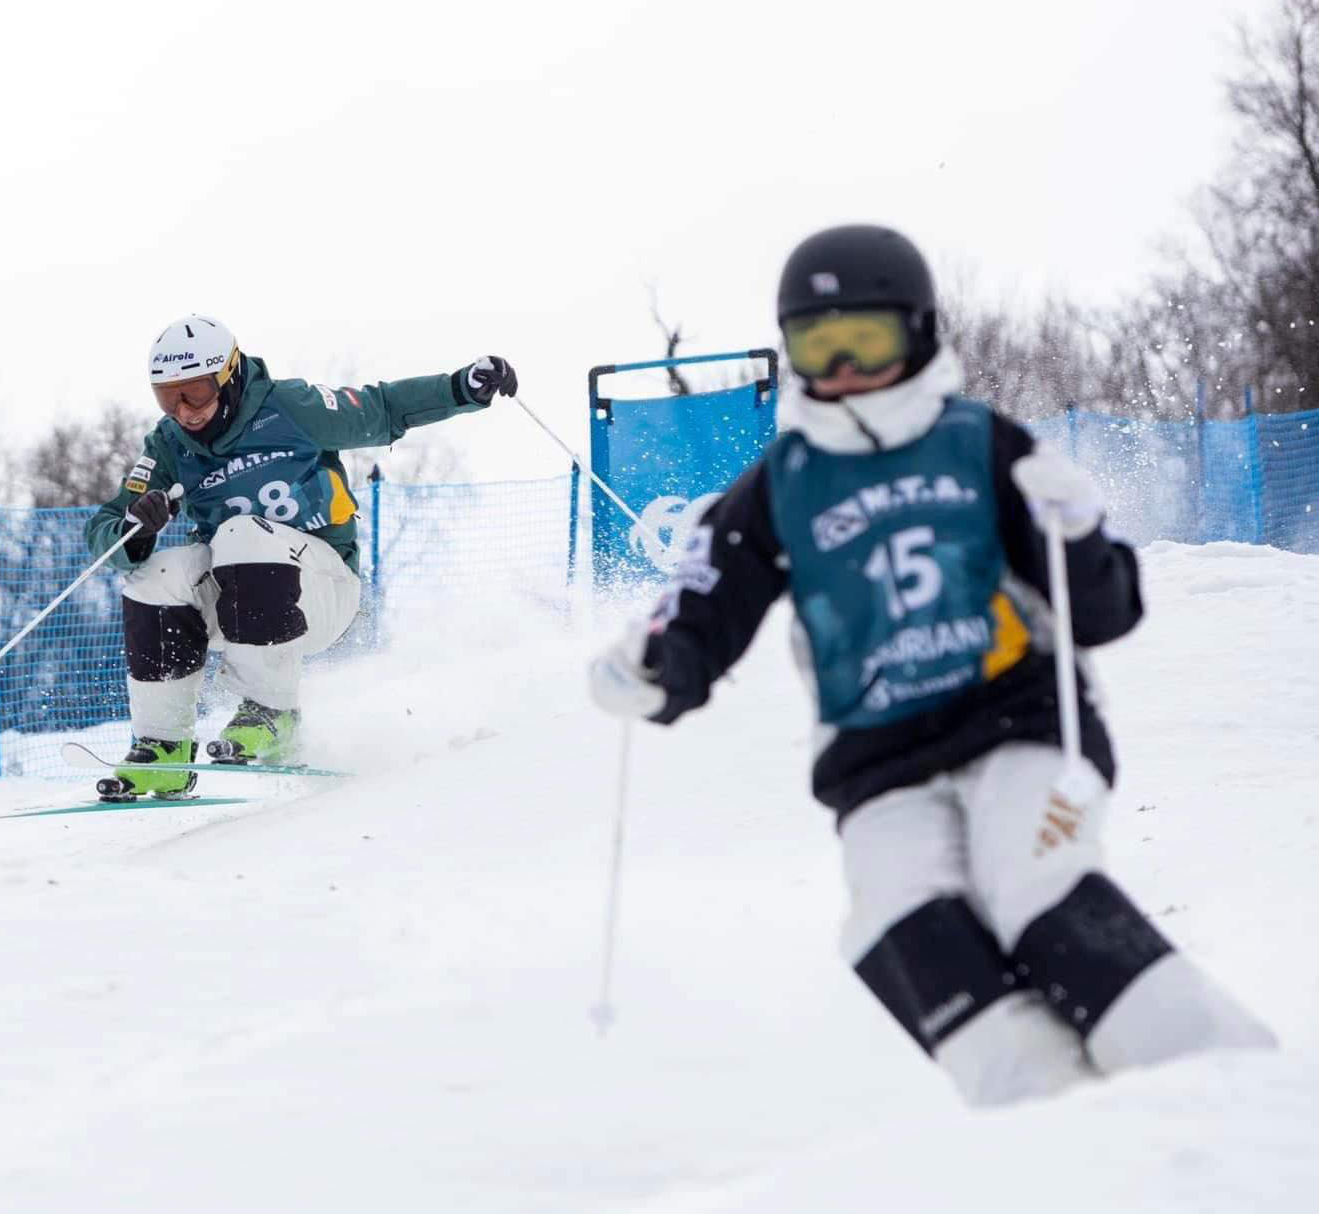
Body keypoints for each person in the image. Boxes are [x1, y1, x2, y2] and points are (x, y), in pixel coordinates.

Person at [588, 225, 1275, 1106]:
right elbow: (704, 607)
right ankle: (1052, 1116)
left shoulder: (979, 443)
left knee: (1032, 883)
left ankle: (1225, 1080)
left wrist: (1077, 536)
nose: (841, 367)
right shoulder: (781, 483)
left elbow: (1105, 612)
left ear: (915, 332)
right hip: (878, 763)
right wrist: (654, 668)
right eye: (816, 344)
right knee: (901, 922)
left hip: (1019, 719)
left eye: (863, 340)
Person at [85, 315, 516, 802]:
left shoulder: (288, 407)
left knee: (241, 533)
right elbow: (107, 526)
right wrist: (133, 529)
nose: (184, 410)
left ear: (228, 376)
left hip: (322, 587)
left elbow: (383, 408)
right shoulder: (169, 445)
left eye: (197, 393)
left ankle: (274, 713)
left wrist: (463, 387)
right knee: (157, 574)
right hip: (240, 605)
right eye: (169, 397)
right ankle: (163, 746)